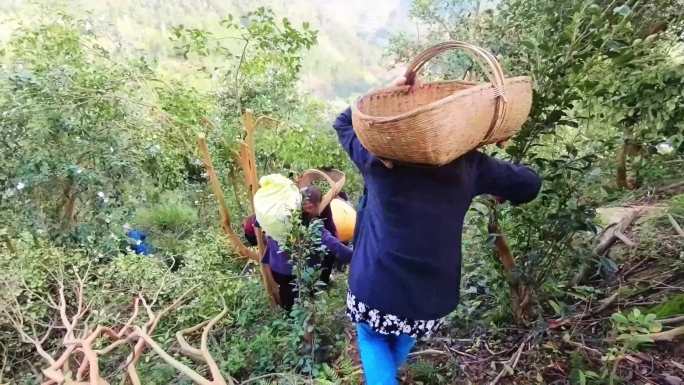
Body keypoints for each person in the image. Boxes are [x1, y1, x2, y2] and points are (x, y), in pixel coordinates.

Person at [332, 77, 543, 385]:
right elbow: (529, 184)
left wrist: (391, 86)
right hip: (429, 299)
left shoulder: (377, 159)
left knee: (373, 339)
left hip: (374, 287)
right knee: (401, 337)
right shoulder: (469, 164)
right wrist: (501, 185)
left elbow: (343, 122)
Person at [263, 186, 353, 311]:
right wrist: (356, 255)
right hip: (293, 270)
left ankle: (288, 315)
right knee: (300, 297)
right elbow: (335, 246)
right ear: (310, 207)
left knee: (287, 293)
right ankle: (300, 315)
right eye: (319, 206)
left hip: (276, 267)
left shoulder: (282, 213)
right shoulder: (311, 224)